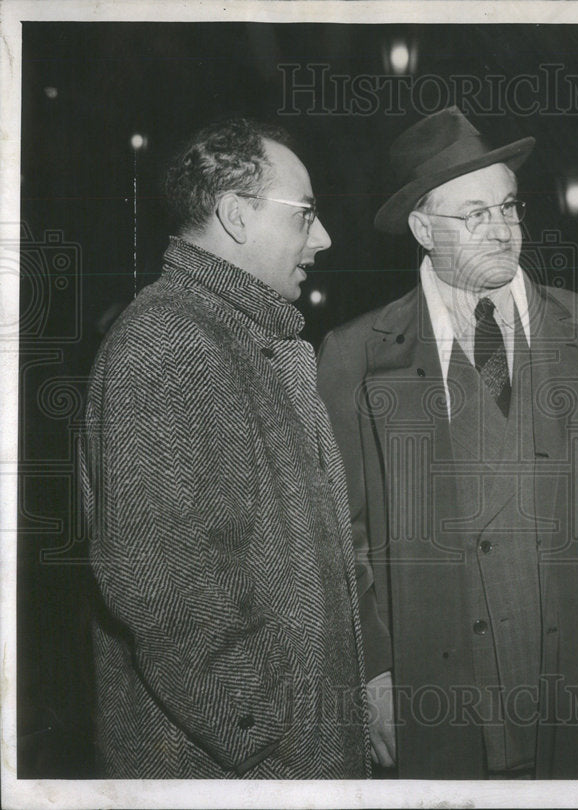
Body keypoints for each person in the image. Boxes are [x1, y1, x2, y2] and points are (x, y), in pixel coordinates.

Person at [316, 107, 578, 778]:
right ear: (422, 229)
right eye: (475, 214)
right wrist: (373, 671)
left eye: (508, 207)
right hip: (440, 695)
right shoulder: (355, 354)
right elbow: (339, 537)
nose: (502, 230)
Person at [81, 118, 371, 778]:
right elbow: (167, 591)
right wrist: (268, 744)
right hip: (236, 770)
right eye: (305, 215)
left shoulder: (240, 337)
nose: (323, 238)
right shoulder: (168, 345)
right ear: (237, 215)